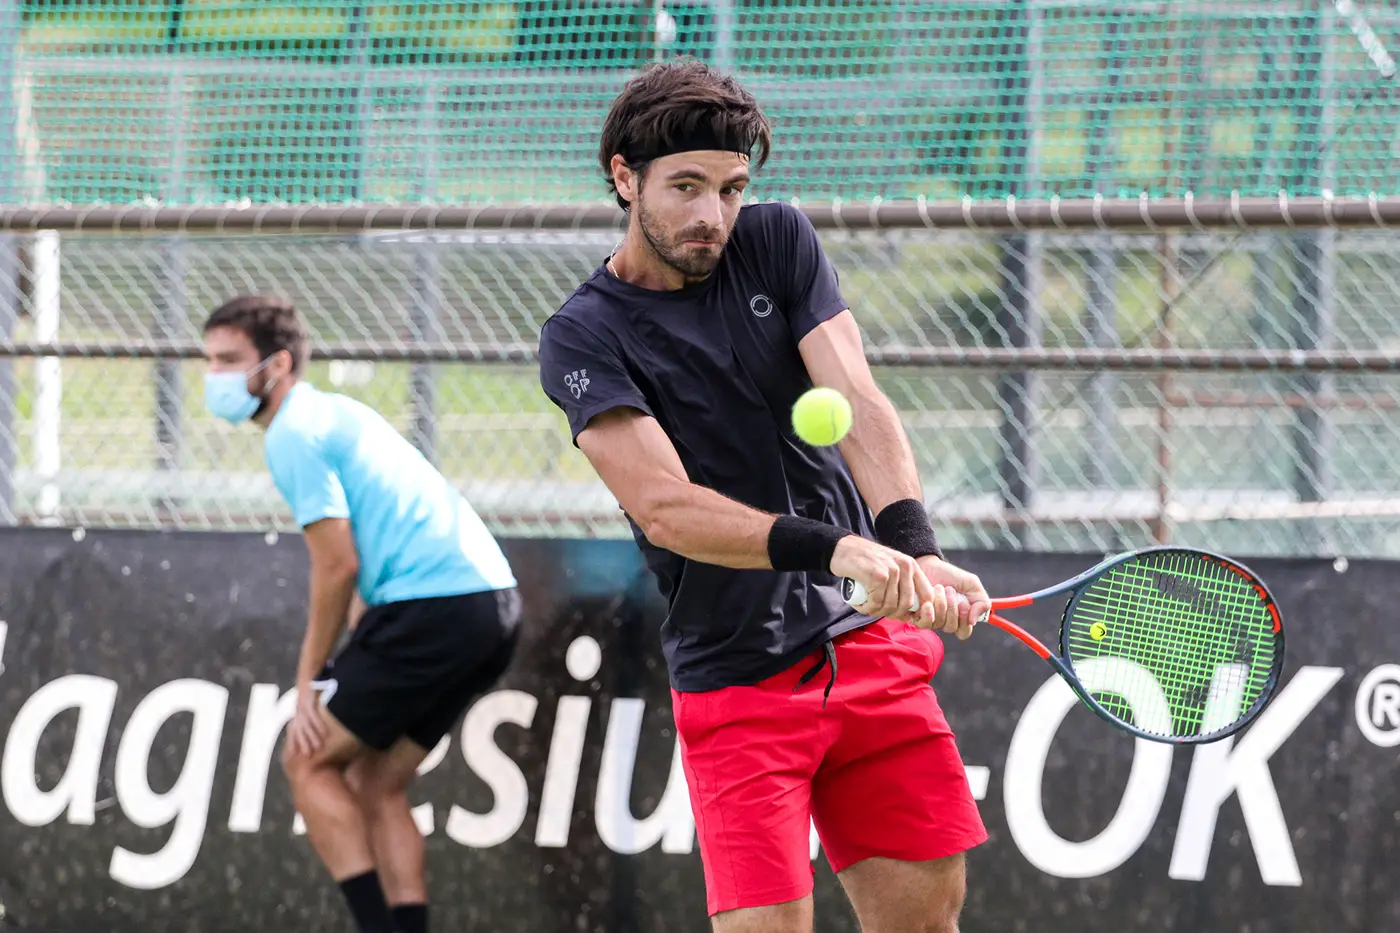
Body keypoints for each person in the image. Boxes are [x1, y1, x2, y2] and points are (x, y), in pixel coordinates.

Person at [537, 60, 993, 933]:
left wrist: (914, 543)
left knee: (928, 921)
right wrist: (838, 547)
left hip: (872, 652)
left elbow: (856, 396)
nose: (712, 214)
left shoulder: (778, 240)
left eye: (731, 187)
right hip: (738, 677)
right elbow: (665, 506)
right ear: (624, 178)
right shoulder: (583, 335)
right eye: (686, 187)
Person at [201, 294, 520, 933]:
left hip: (432, 609)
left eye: (230, 360)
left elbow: (336, 566)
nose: (216, 376)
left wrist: (309, 678)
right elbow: (370, 553)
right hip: (493, 607)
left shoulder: (292, 432)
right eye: (209, 361)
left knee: (306, 760)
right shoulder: (333, 411)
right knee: (377, 780)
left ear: (278, 363)